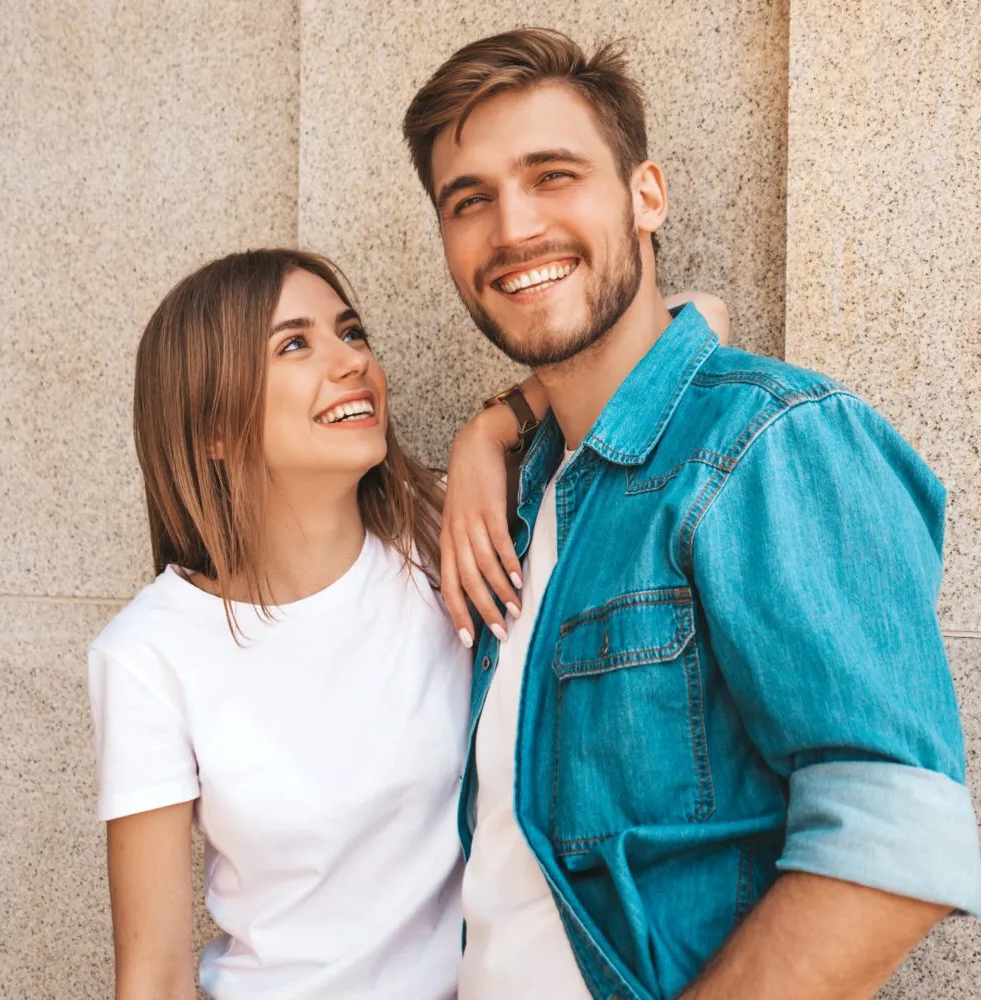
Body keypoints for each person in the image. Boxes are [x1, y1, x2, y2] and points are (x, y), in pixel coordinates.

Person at [403, 27, 981, 1000]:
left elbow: (899, 837)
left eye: (553, 176)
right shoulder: (527, 495)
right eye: (471, 201)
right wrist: (492, 428)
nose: (511, 228)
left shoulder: (768, 440)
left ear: (645, 196)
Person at [87, 247, 727, 999]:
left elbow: (693, 320)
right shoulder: (150, 653)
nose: (350, 361)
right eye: (295, 344)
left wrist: (491, 428)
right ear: (212, 430)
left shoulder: (445, 536)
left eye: (351, 332)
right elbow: (156, 977)